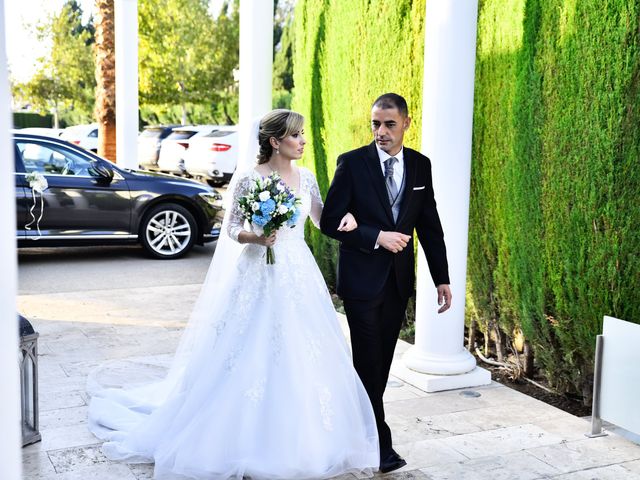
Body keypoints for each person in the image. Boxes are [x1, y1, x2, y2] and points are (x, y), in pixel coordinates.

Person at [87, 109, 379, 479]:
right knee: (248, 347)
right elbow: (231, 230)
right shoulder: (249, 179)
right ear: (275, 141)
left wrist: (347, 219)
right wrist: (257, 237)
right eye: (296, 135)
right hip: (258, 272)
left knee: (303, 348)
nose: (303, 140)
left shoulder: (306, 178)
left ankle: (307, 435)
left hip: (298, 273)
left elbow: (321, 219)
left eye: (302, 134)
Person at [320, 93, 452, 473]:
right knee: (367, 363)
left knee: (379, 367)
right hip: (360, 282)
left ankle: (355, 431)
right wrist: (376, 236)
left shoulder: (420, 166)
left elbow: (430, 225)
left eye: (389, 124)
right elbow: (330, 221)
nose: (381, 132)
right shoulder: (352, 163)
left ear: (407, 123)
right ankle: (382, 448)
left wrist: (441, 278)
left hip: (396, 283)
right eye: (375, 123)